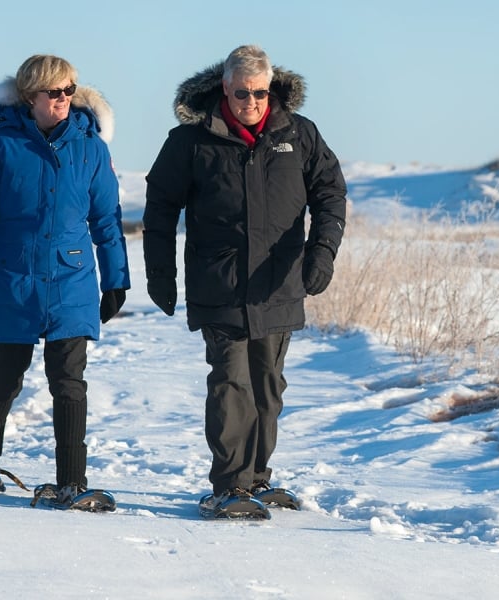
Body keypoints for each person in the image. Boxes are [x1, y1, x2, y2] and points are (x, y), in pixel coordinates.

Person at [143, 44, 347, 512]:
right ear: (225, 88)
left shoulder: (299, 134)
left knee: (268, 384)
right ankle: (228, 485)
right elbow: (159, 209)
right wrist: (161, 274)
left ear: (271, 88)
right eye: (241, 93)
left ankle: (256, 478)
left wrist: (322, 253)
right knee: (232, 382)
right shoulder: (192, 141)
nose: (251, 102)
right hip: (220, 283)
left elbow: (331, 194)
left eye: (259, 93)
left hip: (279, 282)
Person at [0, 54, 130, 505]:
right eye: (55, 92)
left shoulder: (91, 148)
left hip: (71, 283)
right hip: (12, 280)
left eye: (70, 90)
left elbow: (106, 219)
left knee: (69, 381)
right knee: (3, 378)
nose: (64, 99)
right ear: (31, 96)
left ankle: (73, 480)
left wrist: (116, 279)